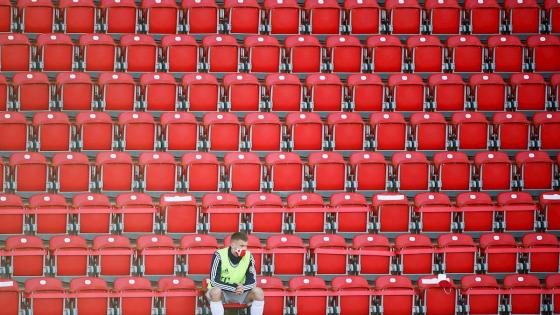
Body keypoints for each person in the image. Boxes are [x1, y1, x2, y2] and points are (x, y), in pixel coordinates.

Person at [206, 232, 264, 315]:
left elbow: (253, 281)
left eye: (246, 246)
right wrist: (234, 288)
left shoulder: (249, 256)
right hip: (223, 291)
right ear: (232, 245)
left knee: (259, 292)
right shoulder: (219, 254)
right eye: (242, 246)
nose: (245, 249)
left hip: (241, 291)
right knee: (215, 292)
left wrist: (242, 287)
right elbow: (214, 282)